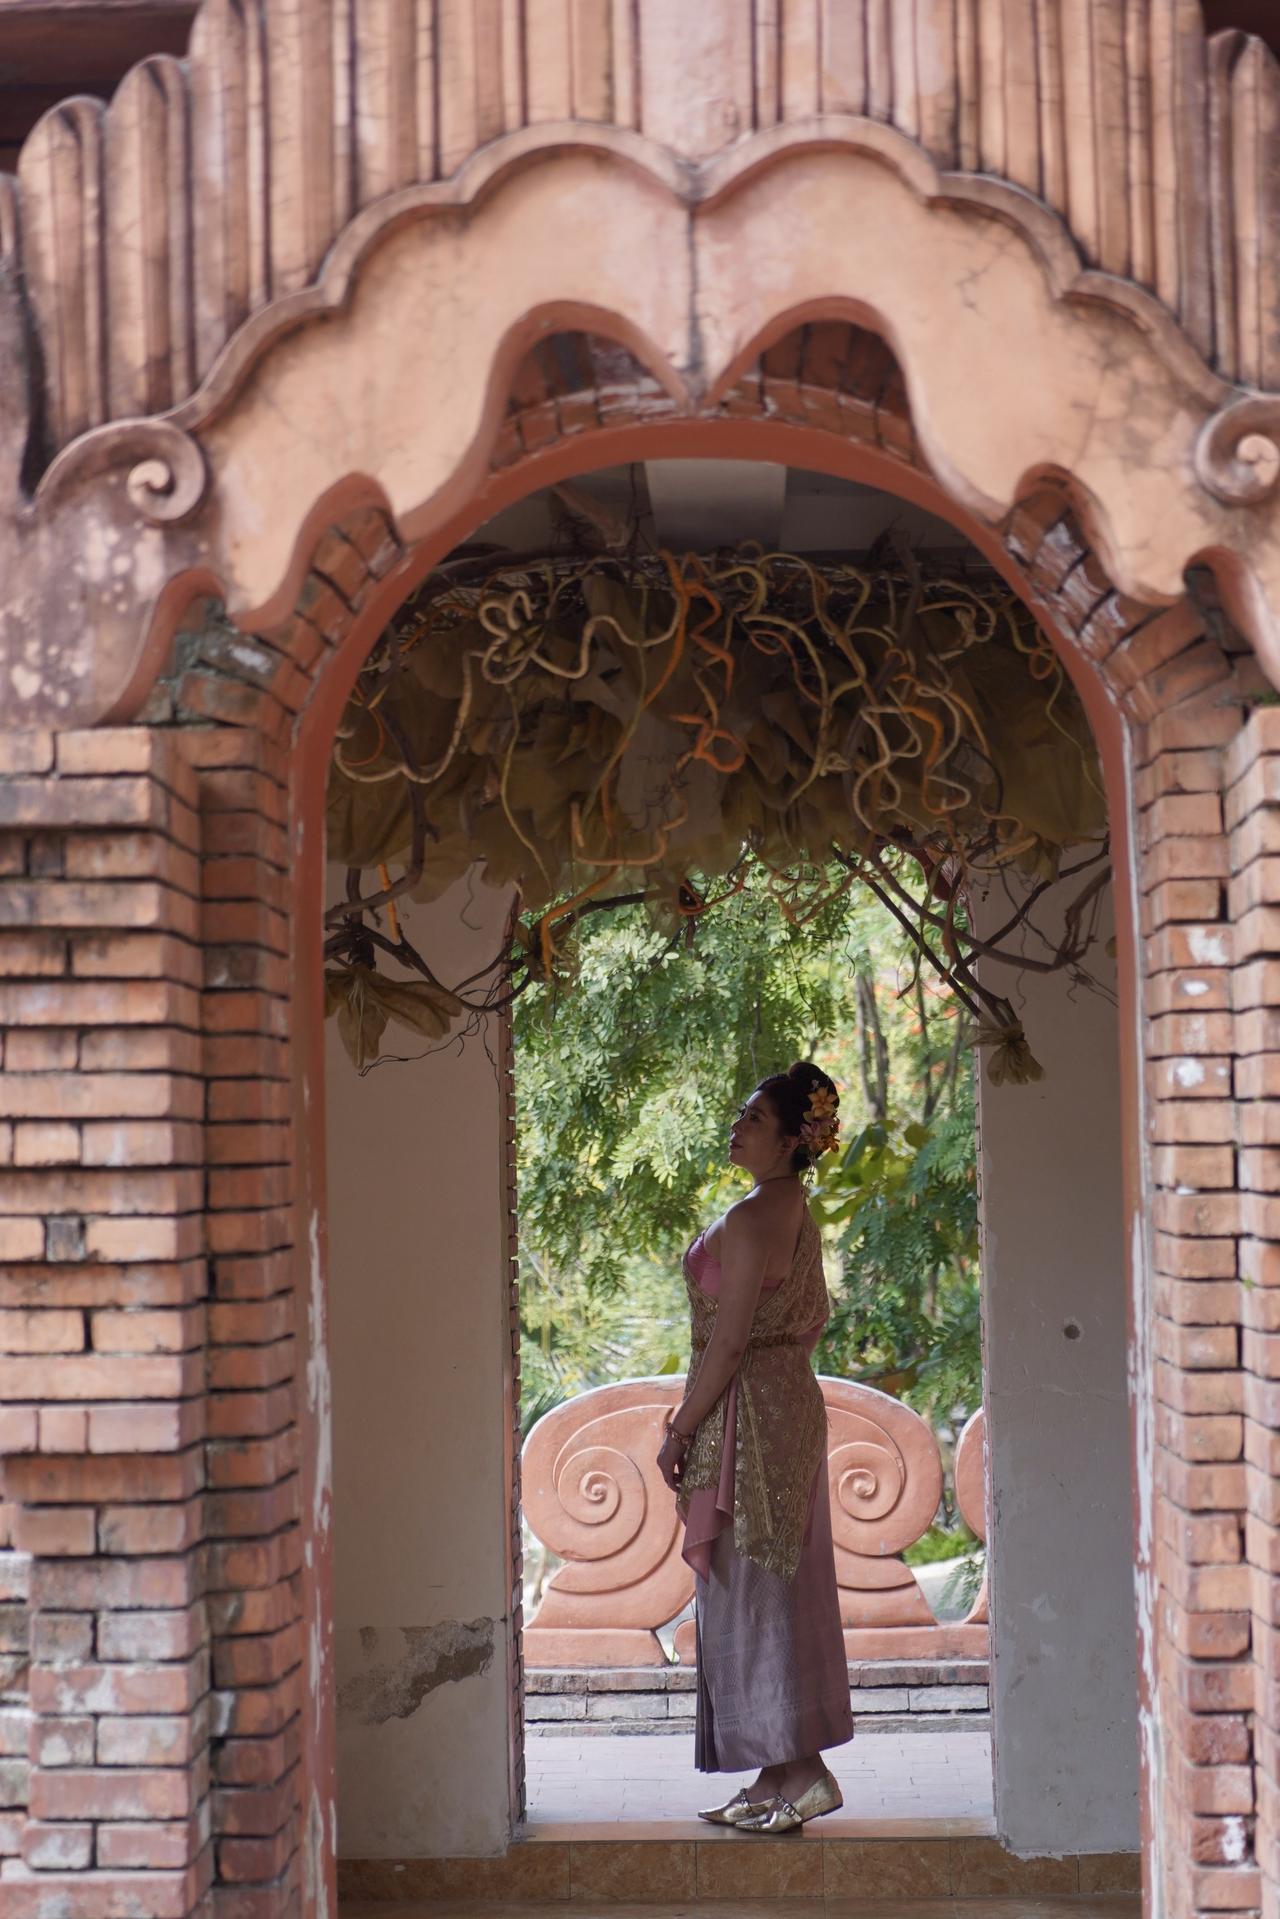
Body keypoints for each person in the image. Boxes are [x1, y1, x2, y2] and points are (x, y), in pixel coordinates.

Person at [656, 1061, 854, 1832]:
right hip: (786, 1407)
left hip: (749, 1420)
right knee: (777, 1584)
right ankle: (778, 1770)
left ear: (790, 1139)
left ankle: (804, 1770)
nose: (737, 1126)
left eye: (753, 1118)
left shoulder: (748, 1218)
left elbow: (731, 1338)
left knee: (753, 1588)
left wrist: (681, 1428)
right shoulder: (793, 1207)